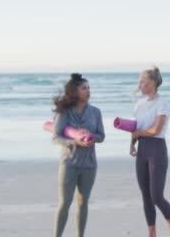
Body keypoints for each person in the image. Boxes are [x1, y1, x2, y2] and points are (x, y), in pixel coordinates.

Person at [52, 73, 105, 237]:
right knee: (65, 203)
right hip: (69, 163)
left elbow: (101, 136)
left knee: (83, 203)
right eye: (84, 88)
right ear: (75, 92)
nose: (88, 91)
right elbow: (56, 137)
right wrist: (75, 142)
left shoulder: (96, 112)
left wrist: (91, 136)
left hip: (89, 164)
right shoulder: (65, 112)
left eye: (89, 88)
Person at [129, 67, 170, 237]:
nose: (140, 84)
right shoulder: (139, 105)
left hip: (157, 149)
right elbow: (136, 128)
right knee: (146, 196)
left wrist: (138, 134)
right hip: (142, 150)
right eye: (140, 81)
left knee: (156, 195)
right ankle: (152, 232)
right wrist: (132, 144)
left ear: (154, 83)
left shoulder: (162, 103)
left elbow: (156, 129)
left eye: (144, 81)